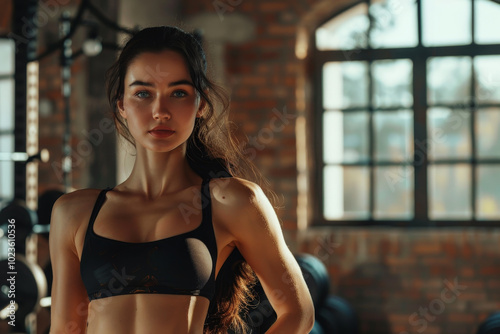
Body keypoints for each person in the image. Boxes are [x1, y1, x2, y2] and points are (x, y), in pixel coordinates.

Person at [49, 26, 314, 334]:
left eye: (178, 93)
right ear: (122, 105)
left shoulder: (232, 201)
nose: (160, 111)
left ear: (200, 104)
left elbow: (298, 312)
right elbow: (66, 329)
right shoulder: (73, 212)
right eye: (143, 93)